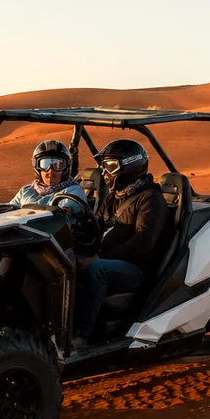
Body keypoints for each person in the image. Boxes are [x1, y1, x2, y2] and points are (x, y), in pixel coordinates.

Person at [74, 139, 168, 345]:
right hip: (106, 259)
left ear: (130, 165)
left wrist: (99, 258)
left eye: (111, 166)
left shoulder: (150, 198)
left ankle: (82, 336)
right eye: (104, 166)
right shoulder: (114, 197)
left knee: (96, 269)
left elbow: (144, 242)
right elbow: (94, 227)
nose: (106, 172)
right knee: (58, 262)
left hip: (135, 269)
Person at [10, 140, 87, 208]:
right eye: (45, 164)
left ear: (65, 168)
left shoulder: (74, 192)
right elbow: (7, 211)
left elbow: (55, 214)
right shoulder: (26, 191)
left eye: (57, 165)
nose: (50, 171)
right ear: (37, 167)